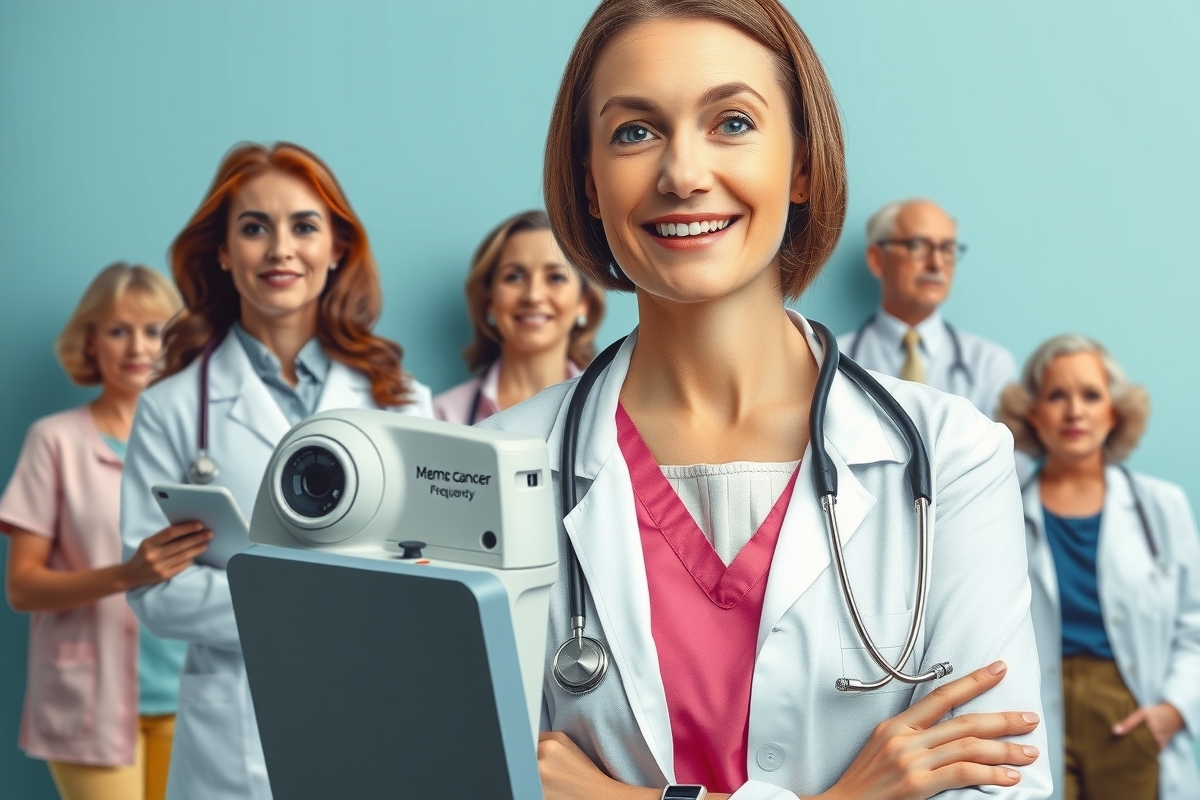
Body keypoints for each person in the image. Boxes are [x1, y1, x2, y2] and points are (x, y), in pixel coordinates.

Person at [481, 2, 1049, 798]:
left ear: (804, 164)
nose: (682, 174)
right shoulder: (498, 471)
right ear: (589, 180)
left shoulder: (950, 458)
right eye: (635, 132)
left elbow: (1001, 788)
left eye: (733, 122)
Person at [119, 142, 433, 800]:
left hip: (372, 715)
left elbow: (429, 575)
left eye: (304, 226)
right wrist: (335, 604)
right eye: (255, 227)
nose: (280, 249)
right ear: (225, 252)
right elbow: (158, 593)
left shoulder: (401, 402)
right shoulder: (172, 407)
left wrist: (276, 597)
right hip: (235, 735)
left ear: (338, 247)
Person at [0, 263, 208, 800]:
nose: (138, 347)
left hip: (193, 693)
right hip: (90, 702)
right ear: (91, 342)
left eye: (153, 330)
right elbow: (21, 587)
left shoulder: (197, 446)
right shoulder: (54, 441)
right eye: (118, 330)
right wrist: (128, 574)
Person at [998, 335, 1200, 800]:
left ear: (1114, 412)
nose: (1074, 411)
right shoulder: (1003, 511)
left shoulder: (1161, 506)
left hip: (1128, 708)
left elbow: (1193, 627)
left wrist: (1173, 710)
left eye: (1091, 395)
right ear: (1033, 414)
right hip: (1039, 711)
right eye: (1056, 396)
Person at [837, 199, 1017, 420]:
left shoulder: (990, 363)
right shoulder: (832, 361)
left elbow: (1009, 454)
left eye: (947, 249)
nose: (937, 263)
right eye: (918, 246)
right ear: (877, 260)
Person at [433, 210, 606, 425]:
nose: (532, 296)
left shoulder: (609, 410)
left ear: (584, 303)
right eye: (514, 277)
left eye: (555, 277)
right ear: (489, 302)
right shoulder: (441, 416)